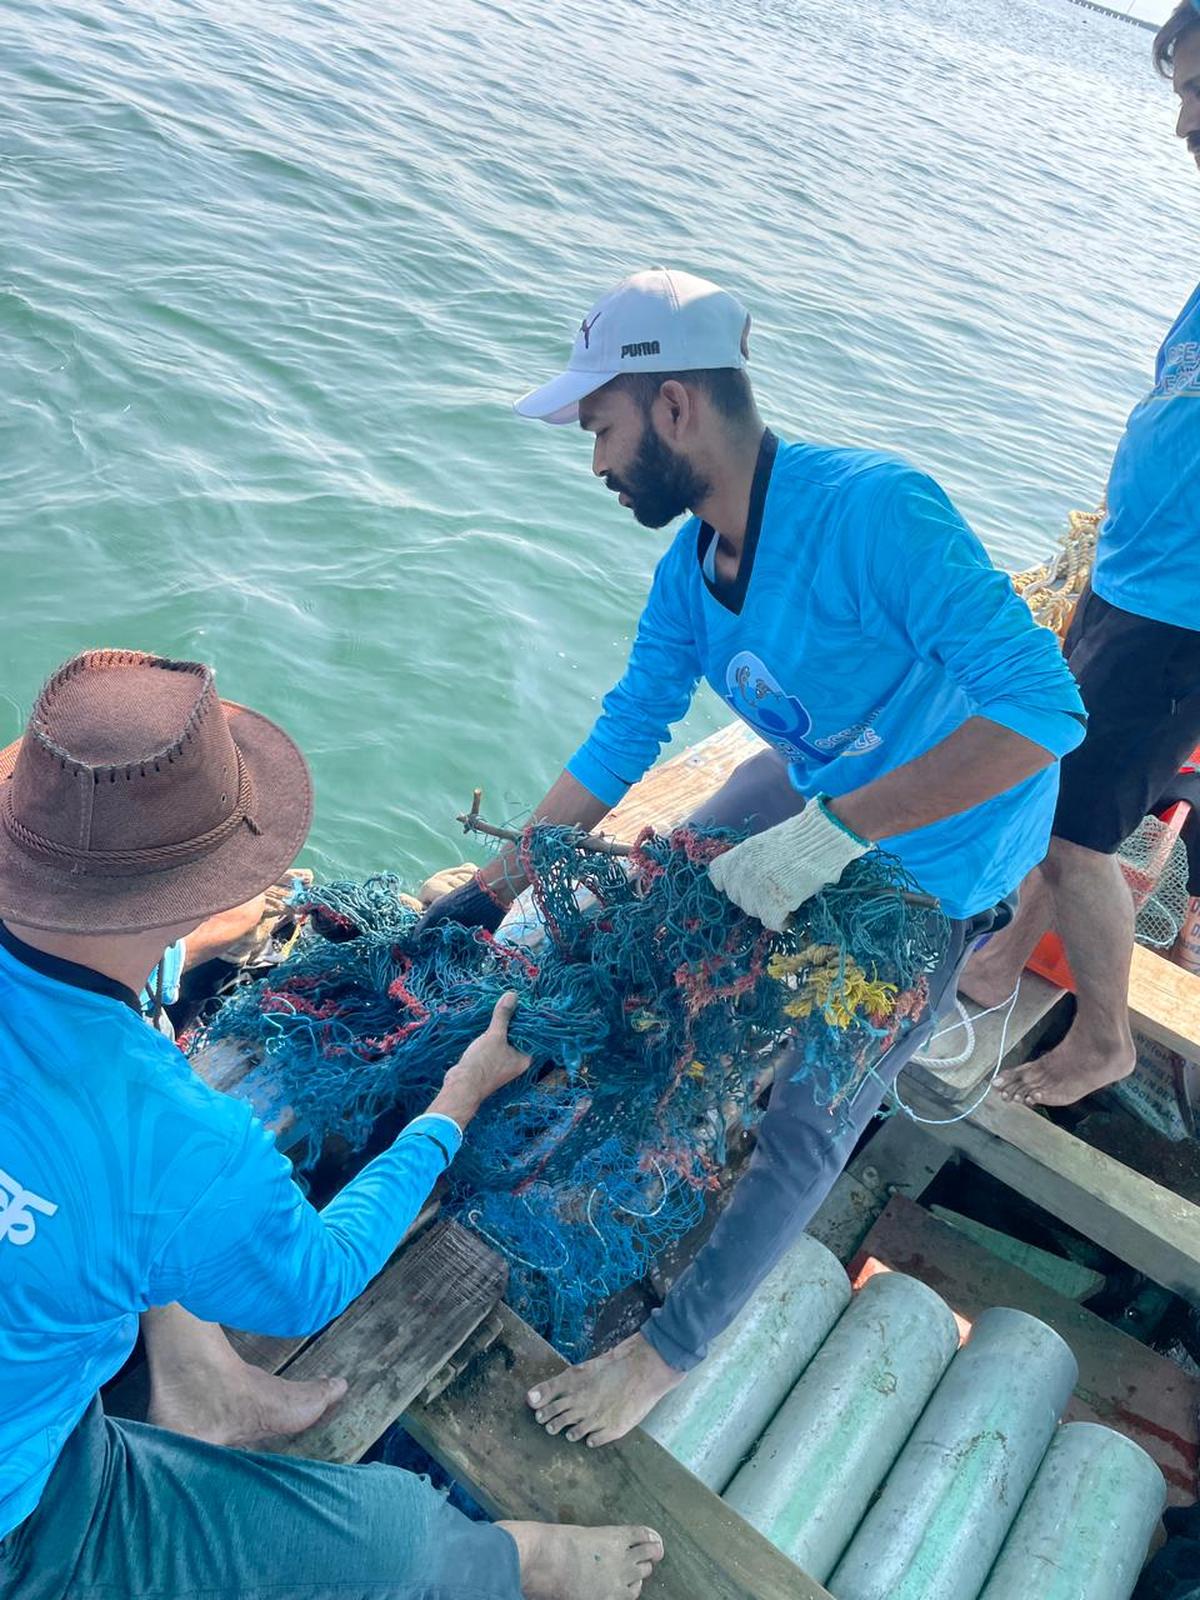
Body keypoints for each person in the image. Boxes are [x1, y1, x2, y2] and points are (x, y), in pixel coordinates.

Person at [418, 266, 1088, 1447]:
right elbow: (628, 729)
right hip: (825, 777)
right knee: (680, 859)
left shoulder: (877, 511)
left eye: (603, 429)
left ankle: (665, 1355)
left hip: (939, 854)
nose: (597, 464)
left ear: (674, 406)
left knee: (811, 1116)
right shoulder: (690, 573)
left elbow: (1043, 713)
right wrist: (495, 884)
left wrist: (838, 835)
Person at [0, 649, 664, 1600]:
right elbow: (316, 1280)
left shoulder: (153, 1130)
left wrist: (192, 939)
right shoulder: (180, 1141)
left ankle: (199, 1387)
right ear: (202, 881)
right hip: (22, 1519)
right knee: (397, 1536)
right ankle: (531, 1564)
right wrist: (455, 1103)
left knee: (122, 1217)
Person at [961, 2, 1200, 1111]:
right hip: (1129, 579)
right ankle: (1011, 953)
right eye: (1182, 93)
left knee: (1077, 823)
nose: (1185, 124)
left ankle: (1103, 1038)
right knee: (1052, 777)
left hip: (1184, 618)